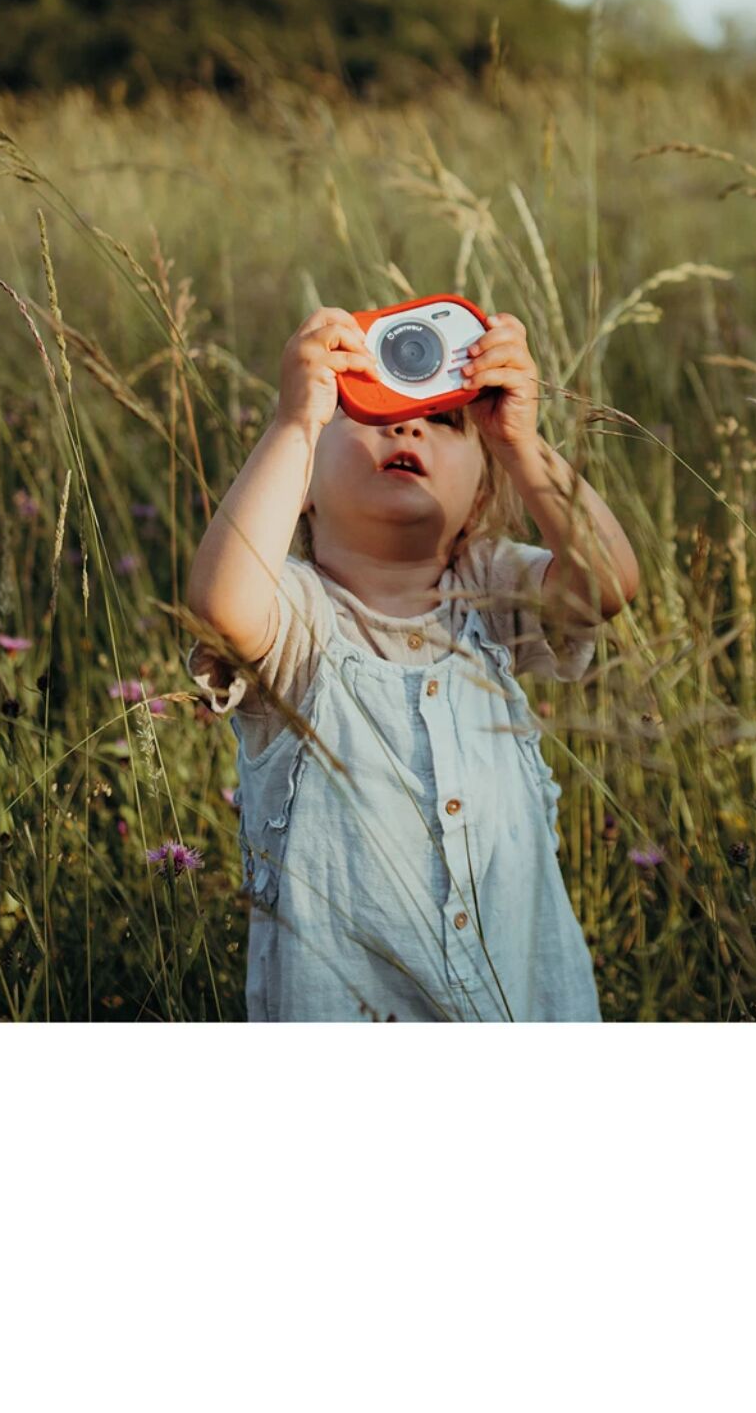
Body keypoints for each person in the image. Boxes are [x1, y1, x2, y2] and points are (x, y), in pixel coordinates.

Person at [185, 304, 640, 1021]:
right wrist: (294, 424)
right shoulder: (299, 618)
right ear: (300, 488)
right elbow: (223, 609)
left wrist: (520, 441)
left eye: (444, 420)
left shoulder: (489, 591)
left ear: (481, 496)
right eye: (371, 410)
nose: (407, 427)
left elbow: (606, 583)